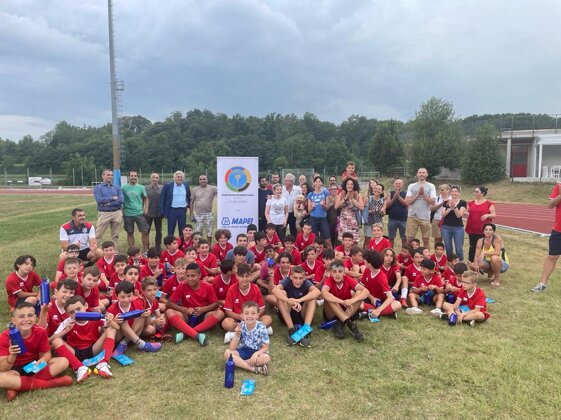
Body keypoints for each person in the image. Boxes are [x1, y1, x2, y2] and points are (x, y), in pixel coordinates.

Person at [0, 302, 73, 401]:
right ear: (13, 320)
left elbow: (46, 354)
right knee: (1, 378)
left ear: (35, 317)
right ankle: (52, 383)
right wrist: (12, 355)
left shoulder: (40, 331)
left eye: (30, 315)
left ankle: (17, 386)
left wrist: (43, 360)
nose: (26, 319)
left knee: (63, 361)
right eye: (21, 316)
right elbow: (3, 368)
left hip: (34, 366)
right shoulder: (5, 337)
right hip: (14, 370)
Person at [165, 263, 223, 345]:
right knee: (168, 312)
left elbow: (215, 304)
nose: (190, 279)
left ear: (199, 275)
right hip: (186, 316)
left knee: (220, 313)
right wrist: (184, 309)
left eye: (193, 276)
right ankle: (196, 335)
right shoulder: (182, 285)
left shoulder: (207, 286)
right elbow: (169, 303)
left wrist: (203, 309)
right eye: (187, 276)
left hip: (203, 316)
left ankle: (186, 333)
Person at [222, 264, 273, 343]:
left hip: (253, 319)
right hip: (239, 319)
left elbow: (262, 308)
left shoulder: (255, 288)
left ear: (251, 276)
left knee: (268, 319)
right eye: (242, 276)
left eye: (247, 276)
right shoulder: (232, 289)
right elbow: (228, 311)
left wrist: (254, 317)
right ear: (237, 276)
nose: (244, 279)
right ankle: (260, 331)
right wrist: (242, 317)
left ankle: (236, 334)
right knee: (226, 323)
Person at [272, 266, 320, 347]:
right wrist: (289, 301)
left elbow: (317, 292)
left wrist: (298, 300)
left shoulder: (306, 282)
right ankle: (291, 330)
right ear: (291, 277)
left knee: (313, 296)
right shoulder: (287, 280)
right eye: (295, 278)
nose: (298, 281)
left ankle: (305, 330)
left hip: (301, 313)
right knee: (281, 293)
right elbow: (274, 290)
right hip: (288, 313)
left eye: (300, 278)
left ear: (304, 278)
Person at [321, 260, 369, 341]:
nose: (337, 274)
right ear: (331, 273)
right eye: (334, 272)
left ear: (344, 273)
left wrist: (352, 300)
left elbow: (366, 292)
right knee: (329, 297)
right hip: (332, 313)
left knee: (360, 293)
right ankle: (351, 326)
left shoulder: (347, 278)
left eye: (340, 271)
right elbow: (323, 293)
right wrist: (342, 302)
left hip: (347, 310)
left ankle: (340, 324)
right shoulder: (329, 280)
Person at [223, 301, 271, 376]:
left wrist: (256, 354)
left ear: (258, 315)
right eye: (247, 313)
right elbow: (232, 348)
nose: (250, 316)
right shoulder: (241, 325)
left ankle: (239, 363)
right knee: (227, 353)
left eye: (253, 313)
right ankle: (252, 368)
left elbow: (265, 347)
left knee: (266, 358)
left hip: (257, 351)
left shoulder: (262, 327)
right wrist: (236, 335)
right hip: (244, 350)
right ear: (242, 315)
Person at [532, 182, 561, 292]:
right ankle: (542, 284)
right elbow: (550, 205)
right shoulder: (559, 186)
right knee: (552, 257)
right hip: (558, 230)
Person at [360, 250, 402, 319]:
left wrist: (379, 310)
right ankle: (387, 312)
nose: (364, 261)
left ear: (370, 264)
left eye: (365, 260)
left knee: (397, 304)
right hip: (369, 298)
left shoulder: (381, 277)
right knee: (357, 302)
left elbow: (390, 297)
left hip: (382, 301)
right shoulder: (367, 270)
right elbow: (361, 287)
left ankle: (371, 313)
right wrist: (372, 298)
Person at [405, 168, 436, 248]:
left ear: (427, 174)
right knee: (410, 239)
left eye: (423, 173)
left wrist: (424, 195)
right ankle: (409, 254)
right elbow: (407, 202)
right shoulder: (411, 186)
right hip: (412, 216)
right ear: (417, 174)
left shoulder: (431, 186)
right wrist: (417, 195)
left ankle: (426, 254)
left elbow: (433, 202)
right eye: (420, 172)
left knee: (426, 239)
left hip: (425, 216)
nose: (421, 174)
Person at [93, 169, 124, 248]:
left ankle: (114, 251)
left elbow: (121, 200)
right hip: (104, 213)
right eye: (108, 175)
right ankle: (94, 251)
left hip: (117, 212)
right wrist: (112, 198)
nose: (110, 176)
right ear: (103, 176)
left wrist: (110, 203)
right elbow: (99, 200)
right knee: (98, 234)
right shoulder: (98, 188)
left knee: (115, 235)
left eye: (111, 175)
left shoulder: (117, 187)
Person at [472, 223, 509, 288]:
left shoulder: (497, 239)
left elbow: (497, 252)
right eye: (486, 230)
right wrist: (475, 263)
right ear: (483, 231)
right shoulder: (480, 241)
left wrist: (484, 252)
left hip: (502, 264)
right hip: (488, 262)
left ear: (493, 231)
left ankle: (496, 279)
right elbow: (476, 254)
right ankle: (490, 272)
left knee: (494, 258)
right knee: (472, 265)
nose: (488, 231)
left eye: (490, 230)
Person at [122, 170, 150, 253]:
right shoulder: (124, 188)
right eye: (132, 176)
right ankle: (132, 251)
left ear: (137, 177)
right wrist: (121, 209)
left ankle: (146, 250)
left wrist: (146, 208)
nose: (133, 177)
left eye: (135, 176)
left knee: (145, 232)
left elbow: (146, 198)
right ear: (129, 177)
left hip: (139, 213)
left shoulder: (141, 187)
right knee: (130, 232)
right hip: (128, 213)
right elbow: (121, 199)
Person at [465, 186, 496, 262]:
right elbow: (466, 211)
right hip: (472, 228)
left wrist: (487, 215)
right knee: (472, 246)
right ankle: (472, 261)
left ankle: (483, 262)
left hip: (483, 230)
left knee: (483, 246)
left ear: (483, 193)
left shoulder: (489, 204)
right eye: (474, 191)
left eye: (477, 192)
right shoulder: (471, 203)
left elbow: (494, 214)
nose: (474, 193)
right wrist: (466, 213)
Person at [160, 170, 191, 237]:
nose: (180, 178)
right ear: (174, 178)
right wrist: (162, 211)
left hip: (182, 210)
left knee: (182, 229)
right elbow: (162, 199)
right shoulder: (168, 186)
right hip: (172, 210)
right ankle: (170, 242)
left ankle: (181, 242)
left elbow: (188, 196)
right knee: (171, 229)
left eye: (181, 177)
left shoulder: (185, 185)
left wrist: (188, 206)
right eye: (178, 177)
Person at [440, 185, 467, 261]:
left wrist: (455, 207)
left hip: (458, 228)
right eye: (452, 191)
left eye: (456, 191)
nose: (454, 193)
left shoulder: (463, 202)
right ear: (450, 193)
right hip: (446, 228)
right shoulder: (446, 202)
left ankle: (460, 263)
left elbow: (459, 215)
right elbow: (443, 215)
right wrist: (450, 208)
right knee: (448, 248)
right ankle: (450, 262)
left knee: (458, 248)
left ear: (459, 193)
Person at [335, 178, 364, 243]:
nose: (349, 185)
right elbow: (336, 206)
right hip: (344, 222)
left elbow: (362, 207)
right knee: (344, 242)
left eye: (351, 184)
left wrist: (353, 199)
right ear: (345, 185)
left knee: (354, 242)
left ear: (354, 185)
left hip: (353, 222)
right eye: (348, 184)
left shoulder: (357, 194)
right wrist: (345, 197)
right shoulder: (341, 194)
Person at [307, 176, 332, 249]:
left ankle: (331, 254)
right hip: (313, 219)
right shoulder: (310, 194)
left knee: (327, 240)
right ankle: (315, 254)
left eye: (319, 181)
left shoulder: (325, 193)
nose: (318, 183)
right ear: (314, 183)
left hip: (323, 219)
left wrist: (323, 205)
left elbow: (327, 208)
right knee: (315, 240)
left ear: (322, 183)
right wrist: (312, 207)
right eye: (316, 181)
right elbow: (309, 210)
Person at [190, 174, 217, 244]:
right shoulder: (195, 189)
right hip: (198, 214)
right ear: (199, 181)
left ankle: (209, 246)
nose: (202, 180)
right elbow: (191, 202)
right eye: (201, 179)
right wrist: (191, 214)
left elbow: (223, 192)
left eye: (204, 179)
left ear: (207, 180)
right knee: (198, 232)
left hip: (208, 214)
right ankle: (198, 245)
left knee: (209, 232)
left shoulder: (213, 189)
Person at [363, 180, 386, 249]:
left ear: (382, 191)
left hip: (378, 223)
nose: (377, 190)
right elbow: (364, 212)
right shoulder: (368, 198)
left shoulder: (383, 200)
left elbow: (383, 214)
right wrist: (371, 211)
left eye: (379, 189)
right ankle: (366, 254)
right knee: (367, 240)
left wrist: (381, 212)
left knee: (378, 239)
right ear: (373, 190)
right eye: (376, 188)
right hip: (368, 222)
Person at [386, 178, 409, 247]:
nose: (398, 185)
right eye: (396, 183)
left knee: (404, 237)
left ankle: (405, 251)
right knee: (391, 237)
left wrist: (398, 197)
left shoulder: (406, 193)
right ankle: (390, 251)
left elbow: (406, 204)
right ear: (394, 184)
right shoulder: (390, 193)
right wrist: (394, 198)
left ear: (402, 185)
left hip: (403, 219)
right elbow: (387, 205)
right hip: (392, 219)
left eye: (399, 183)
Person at [145, 172, 164, 250]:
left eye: (157, 178)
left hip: (159, 213)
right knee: (146, 230)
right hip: (148, 213)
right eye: (153, 177)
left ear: (159, 179)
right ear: (150, 178)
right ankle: (146, 246)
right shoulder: (145, 188)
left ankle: (158, 245)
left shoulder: (162, 188)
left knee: (158, 230)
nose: (155, 179)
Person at [281, 173, 302, 237]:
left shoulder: (298, 190)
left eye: (286, 181)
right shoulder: (281, 189)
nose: (284, 182)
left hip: (294, 214)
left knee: (293, 231)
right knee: (282, 231)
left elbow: (302, 199)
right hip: (284, 214)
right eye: (284, 180)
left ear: (291, 181)